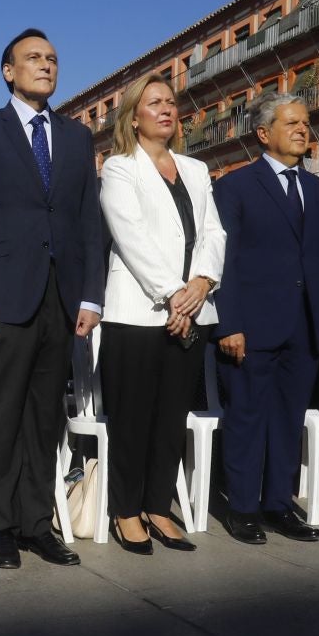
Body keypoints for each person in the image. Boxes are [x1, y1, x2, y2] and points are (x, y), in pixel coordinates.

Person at [0, 30, 106, 569]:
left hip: (61, 299)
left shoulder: (76, 137)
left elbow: (88, 220)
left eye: (53, 59)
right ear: (8, 71)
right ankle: (2, 527)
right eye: (33, 58)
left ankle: (38, 524)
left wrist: (92, 295)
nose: (45, 66)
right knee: (2, 417)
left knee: (45, 418)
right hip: (4, 297)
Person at [97, 72, 225, 552]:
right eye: (155, 103)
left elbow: (214, 233)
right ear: (134, 116)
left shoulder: (195, 168)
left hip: (194, 309)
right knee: (133, 418)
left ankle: (157, 506)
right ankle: (126, 511)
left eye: (171, 102)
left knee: (172, 417)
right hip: (137, 311)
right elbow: (129, 235)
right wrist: (174, 293)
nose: (167, 109)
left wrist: (202, 284)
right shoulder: (119, 167)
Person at [213, 92, 319, 545]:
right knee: (247, 416)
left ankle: (279, 504)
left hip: (303, 326)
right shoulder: (236, 186)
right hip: (251, 325)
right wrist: (229, 323)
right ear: (264, 133)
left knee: (288, 418)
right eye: (292, 123)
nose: (303, 130)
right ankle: (244, 508)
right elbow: (223, 260)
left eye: (306, 122)